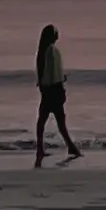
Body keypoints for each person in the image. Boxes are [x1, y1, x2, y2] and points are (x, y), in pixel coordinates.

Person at [33, 24, 81, 164]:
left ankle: (41, 148)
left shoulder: (42, 52)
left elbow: (45, 73)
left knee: (43, 121)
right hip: (53, 90)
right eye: (56, 33)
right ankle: (70, 147)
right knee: (59, 120)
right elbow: (52, 72)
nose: (58, 35)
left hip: (47, 90)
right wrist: (60, 81)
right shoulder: (51, 51)